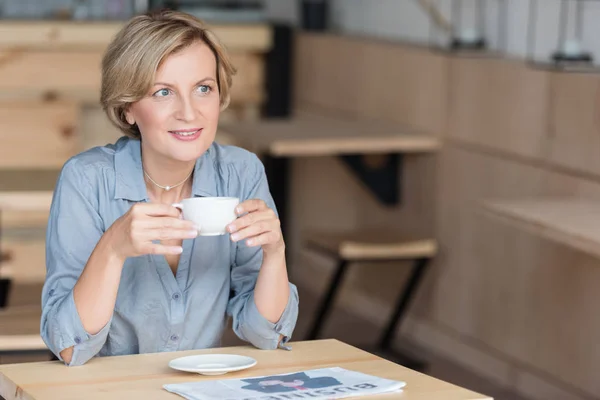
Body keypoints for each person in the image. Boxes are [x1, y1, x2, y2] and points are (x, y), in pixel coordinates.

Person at [40, 10, 299, 366]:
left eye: (203, 89)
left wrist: (275, 252)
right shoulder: (86, 180)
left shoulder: (241, 172)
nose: (189, 113)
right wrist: (113, 248)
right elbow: (70, 347)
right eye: (163, 92)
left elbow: (266, 334)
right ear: (128, 107)